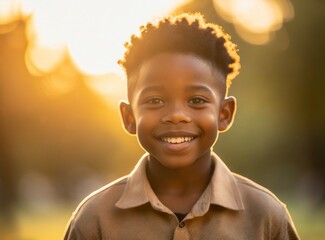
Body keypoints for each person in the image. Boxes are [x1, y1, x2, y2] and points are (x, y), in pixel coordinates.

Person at [63, 13, 300, 239]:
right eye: (155, 101)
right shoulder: (94, 219)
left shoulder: (266, 216)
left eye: (196, 101)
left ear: (224, 114)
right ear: (129, 117)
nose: (176, 116)